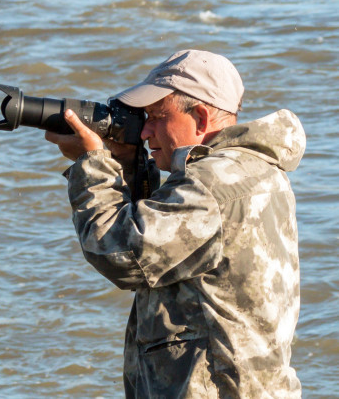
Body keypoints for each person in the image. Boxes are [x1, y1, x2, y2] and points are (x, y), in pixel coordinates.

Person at [45, 49, 305, 398]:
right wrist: (127, 166)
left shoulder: (211, 184)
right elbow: (170, 237)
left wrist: (91, 164)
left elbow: (120, 252)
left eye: (155, 117)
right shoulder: (252, 171)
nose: (145, 131)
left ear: (199, 117)